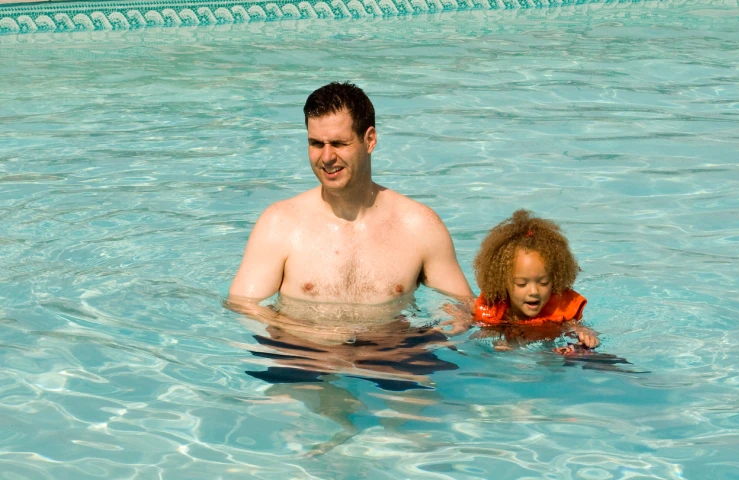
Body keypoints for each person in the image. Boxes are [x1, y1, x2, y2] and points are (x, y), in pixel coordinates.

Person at [228, 81, 473, 317]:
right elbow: (243, 307)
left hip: (393, 354)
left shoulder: (419, 225)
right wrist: (308, 337)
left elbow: (464, 308)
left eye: (338, 143)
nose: (326, 157)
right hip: (305, 355)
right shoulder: (280, 223)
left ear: (370, 140)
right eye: (316, 143)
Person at [471, 209, 600, 354]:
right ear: (502, 282)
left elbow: (578, 328)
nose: (534, 292)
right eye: (521, 284)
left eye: (544, 283)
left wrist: (588, 335)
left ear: (555, 279)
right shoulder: (494, 307)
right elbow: (476, 327)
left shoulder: (562, 308)